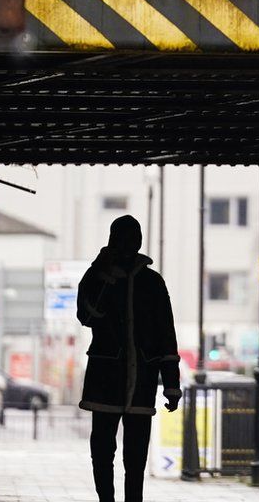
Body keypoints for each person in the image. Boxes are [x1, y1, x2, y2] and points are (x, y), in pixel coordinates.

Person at [77, 215, 181, 502]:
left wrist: (171, 383)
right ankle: (105, 500)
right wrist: (103, 276)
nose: (127, 244)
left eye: (132, 237)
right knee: (101, 448)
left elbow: (166, 333)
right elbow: (86, 315)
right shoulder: (97, 276)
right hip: (106, 376)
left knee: (135, 455)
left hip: (143, 379)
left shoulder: (152, 282)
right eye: (121, 237)